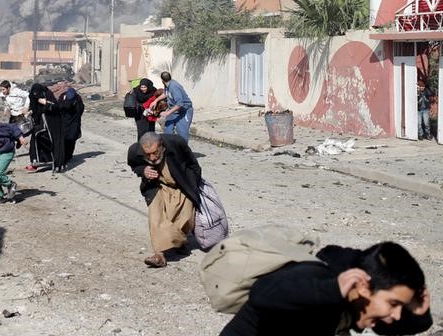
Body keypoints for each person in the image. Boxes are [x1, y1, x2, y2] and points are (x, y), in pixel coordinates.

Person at [220, 241, 433, 336]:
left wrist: (418, 312)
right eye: (394, 303)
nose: (396, 314)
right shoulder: (314, 277)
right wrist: (332, 290)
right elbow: (262, 293)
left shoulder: (359, 304)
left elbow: (391, 328)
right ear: (363, 288)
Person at [127, 132, 201, 268]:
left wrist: (194, 185)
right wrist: (143, 170)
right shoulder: (135, 150)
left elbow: (193, 164)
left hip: (181, 186)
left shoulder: (176, 142)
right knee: (156, 218)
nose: (152, 157)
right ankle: (159, 255)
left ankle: (179, 242)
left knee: (184, 218)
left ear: (161, 146)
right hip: (157, 186)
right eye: (147, 154)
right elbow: (134, 165)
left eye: (155, 153)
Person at [26, 83, 65, 173]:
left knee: (55, 143)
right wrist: (30, 112)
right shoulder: (33, 96)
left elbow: (56, 107)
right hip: (41, 123)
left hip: (53, 123)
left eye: (37, 93)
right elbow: (35, 107)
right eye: (34, 93)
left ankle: (58, 165)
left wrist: (46, 102)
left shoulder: (47, 95)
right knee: (35, 139)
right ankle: (36, 162)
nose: (36, 95)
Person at [150, 71, 194, 142]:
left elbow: (180, 104)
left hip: (183, 111)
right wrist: (155, 101)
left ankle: (183, 151)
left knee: (182, 134)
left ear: (162, 80)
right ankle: (170, 148)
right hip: (173, 110)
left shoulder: (174, 87)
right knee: (167, 129)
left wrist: (167, 113)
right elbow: (165, 93)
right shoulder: (167, 85)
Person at [57, 87, 84, 170]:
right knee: (64, 140)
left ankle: (69, 156)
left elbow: (80, 110)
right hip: (64, 122)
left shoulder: (77, 98)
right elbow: (59, 107)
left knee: (72, 139)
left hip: (74, 122)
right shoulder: (63, 97)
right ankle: (64, 156)